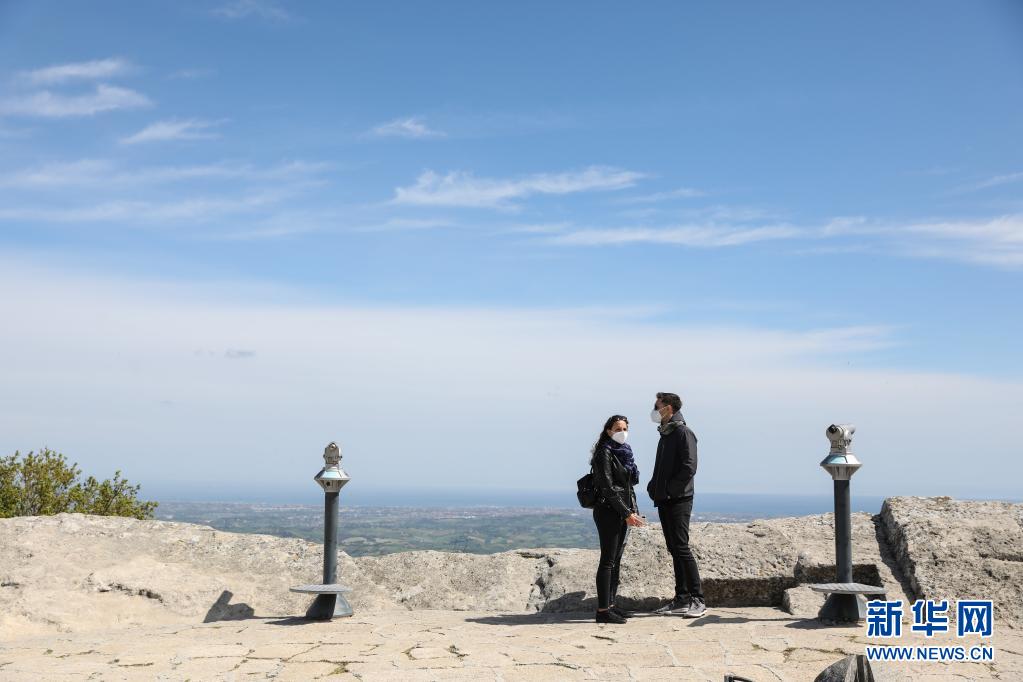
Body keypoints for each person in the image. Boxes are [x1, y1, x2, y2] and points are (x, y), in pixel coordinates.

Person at [646, 392, 706, 618]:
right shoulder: (667, 432)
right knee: (673, 548)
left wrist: (670, 490)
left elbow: (689, 466)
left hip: (679, 499)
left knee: (681, 547)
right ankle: (681, 598)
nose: (654, 410)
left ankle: (698, 599)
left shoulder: (682, 432)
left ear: (668, 408)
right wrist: (654, 486)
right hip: (665, 498)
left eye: (657, 406)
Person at [590, 414, 646, 624]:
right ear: (609, 431)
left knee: (616, 560)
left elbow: (629, 485)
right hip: (608, 511)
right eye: (618, 429)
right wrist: (626, 513)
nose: (622, 433)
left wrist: (631, 511)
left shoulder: (624, 452)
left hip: (621, 511)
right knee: (607, 561)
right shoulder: (604, 453)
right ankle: (603, 611)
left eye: (625, 429)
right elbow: (607, 487)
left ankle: (611, 605)